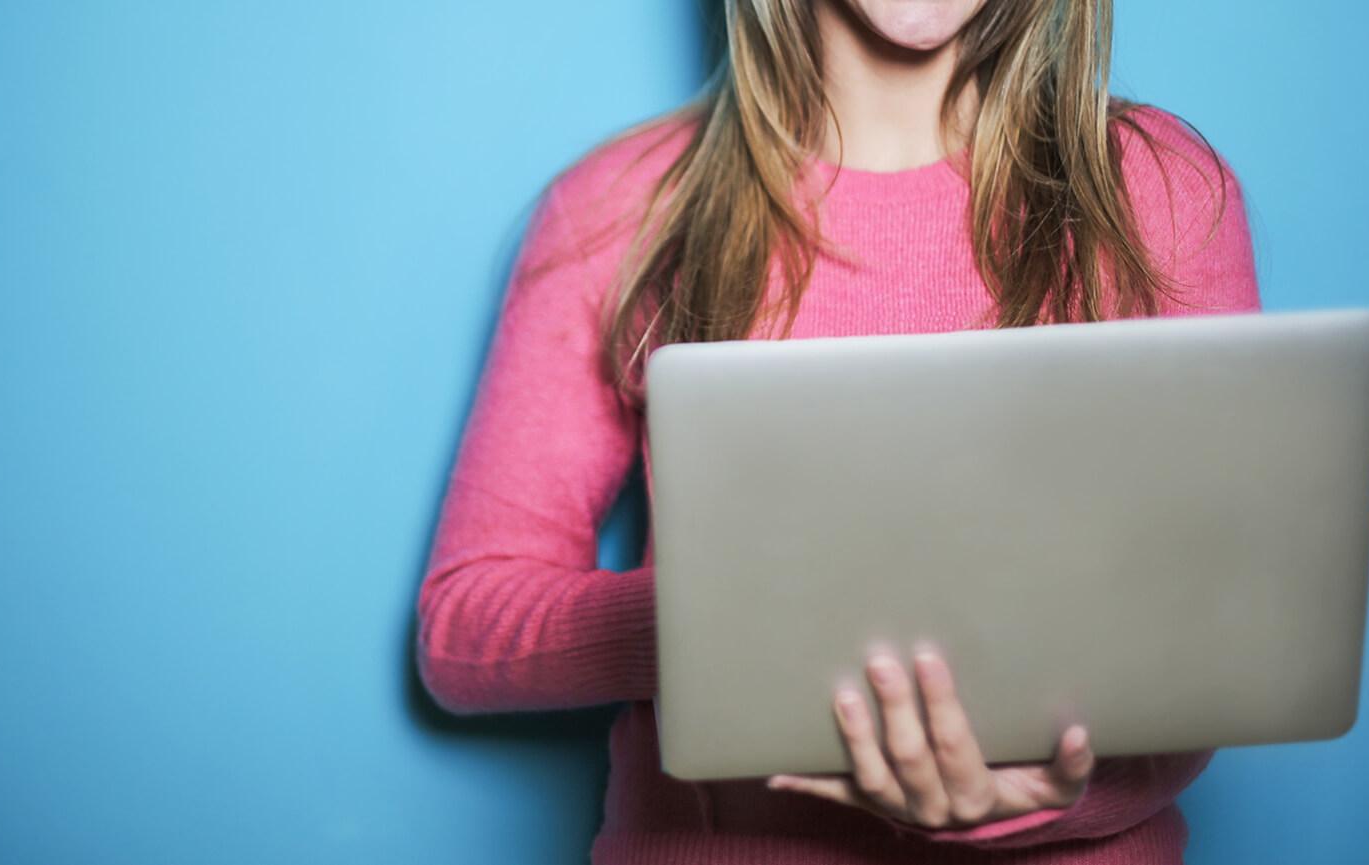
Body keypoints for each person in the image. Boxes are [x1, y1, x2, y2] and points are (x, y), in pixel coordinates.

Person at [415, 0, 1260, 861]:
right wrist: (720, 624)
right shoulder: (625, 205)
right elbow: (464, 626)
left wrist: (1036, 800)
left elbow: (1224, 635)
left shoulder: (1156, 190)